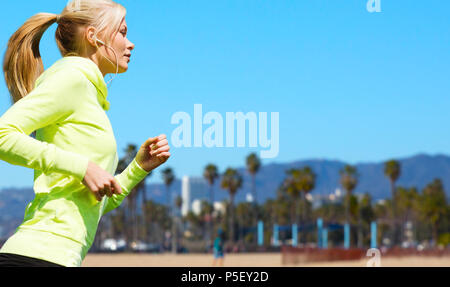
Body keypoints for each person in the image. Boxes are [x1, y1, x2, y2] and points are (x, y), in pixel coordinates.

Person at [0, 0, 171, 267]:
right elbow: (3, 135)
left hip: (56, 258)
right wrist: (82, 167)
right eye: (122, 32)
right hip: (37, 256)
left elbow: (95, 202)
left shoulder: (89, 93)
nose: (131, 43)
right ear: (93, 37)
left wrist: (138, 168)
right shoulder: (71, 79)